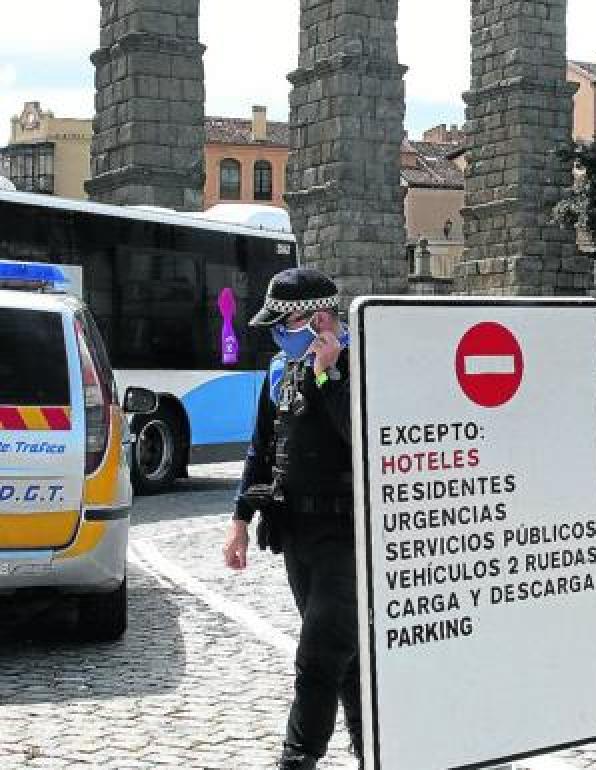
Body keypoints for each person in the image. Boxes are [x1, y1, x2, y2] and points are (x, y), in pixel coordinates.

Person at [221, 267, 360, 770]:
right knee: (345, 659)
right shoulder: (281, 369)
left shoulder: (361, 363)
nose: (277, 337)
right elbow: (261, 448)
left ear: (319, 318)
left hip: (348, 538)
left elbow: (363, 436)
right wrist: (239, 518)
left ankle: (296, 760)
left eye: (284, 326)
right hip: (297, 537)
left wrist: (329, 372)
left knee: (319, 656)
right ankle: (376, 750)